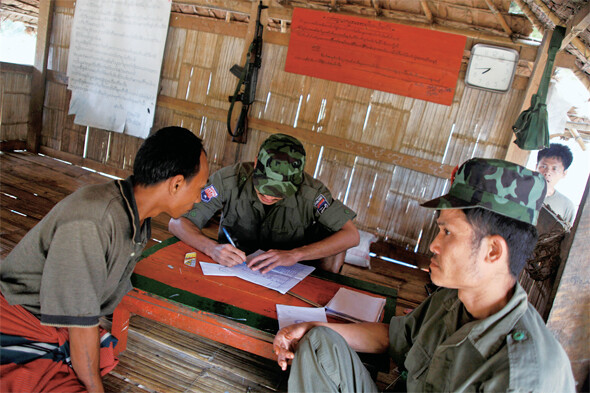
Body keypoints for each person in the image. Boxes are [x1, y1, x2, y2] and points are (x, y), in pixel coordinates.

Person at [273, 158, 575, 392]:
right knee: (317, 341)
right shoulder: (451, 299)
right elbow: (393, 339)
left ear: (493, 251)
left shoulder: (525, 374)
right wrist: (308, 326)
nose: (433, 244)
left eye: (447, 232)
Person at [0, 126, 209, 393]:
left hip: (52, 319)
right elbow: (81, 324)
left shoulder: (134, 215)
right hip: (17, 316)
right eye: (199, 188)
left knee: (97, 355)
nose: (199, 198)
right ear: (177, 183)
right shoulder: (93, 222)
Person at [169, 133, 359, 273]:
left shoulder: (312, 192)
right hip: (232, 267)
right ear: (255, 164)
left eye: (278, 194)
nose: (269, 197)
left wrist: (296, 254)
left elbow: (351, 236)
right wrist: (211, 248)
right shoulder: (230, 178)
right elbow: (177, 223)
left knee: (334, 240)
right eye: (264, 188)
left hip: (290, 272)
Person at [536, 143, 576, 226]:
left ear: (564, 174)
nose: (547, 172)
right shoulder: (518, 191)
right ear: (536, 167)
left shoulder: (567, 206)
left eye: (554, 169)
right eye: (543, 166)